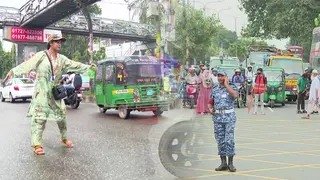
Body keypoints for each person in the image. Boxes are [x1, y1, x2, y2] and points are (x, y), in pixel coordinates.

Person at [2, 34, 96, 155]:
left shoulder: (62, 59)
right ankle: (36, 144)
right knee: (40, 118)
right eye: (57, 41)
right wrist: (14, 71)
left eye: (60, 41)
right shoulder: (41, 56)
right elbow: (28, 64)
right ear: (50, 43)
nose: (59, 43)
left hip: (55, 91)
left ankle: (64, 137)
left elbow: (74, 65)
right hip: (42, 91)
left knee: (61, 114)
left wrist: (88, 68)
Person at [208, 70, 238, 172]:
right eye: (218, 76)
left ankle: (230, 163)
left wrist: (226, 84)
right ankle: (223, 163)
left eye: (222, 76)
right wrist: (210, 109)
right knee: (220, 141)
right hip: (217, 118)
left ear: (225, 77)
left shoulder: (232, 86)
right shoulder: (215, 88)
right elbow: (210, 102)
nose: (219, 78)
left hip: (229, 118)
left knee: (229, 140)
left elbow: (235, 95)